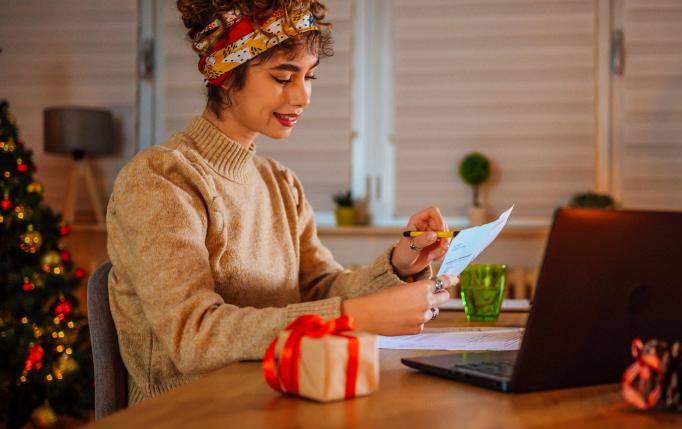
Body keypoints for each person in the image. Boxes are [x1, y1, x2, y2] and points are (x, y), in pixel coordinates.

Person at [106, 0, 458, 404]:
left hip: (277, 400)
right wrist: (351, 318)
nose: (303, 96)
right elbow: (193, 335)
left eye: (309, 77)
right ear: (225, 74)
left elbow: (320, 288)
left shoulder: (281, 183)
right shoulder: (160, 179)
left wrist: (398, 263)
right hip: (186, 421)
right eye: (283, 77)